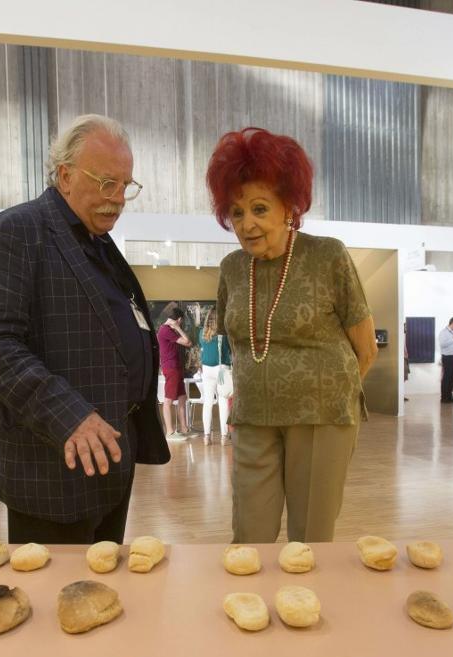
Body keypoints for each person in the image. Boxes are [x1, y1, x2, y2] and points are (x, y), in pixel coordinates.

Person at [0, 113, 170, 545]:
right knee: (49, 601)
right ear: (65, 175)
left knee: (102, 591)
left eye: (125, 185)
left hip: (109, 459)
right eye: (105, 182)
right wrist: (69, 414)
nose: (117, 198)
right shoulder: (16, 231)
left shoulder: (97, 243)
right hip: (52, 467)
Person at [209, 127, 378, 543]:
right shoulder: (232, 267)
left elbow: (366, 348)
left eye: (259, 208)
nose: (247, 224)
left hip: (320, 416)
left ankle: (308, 607)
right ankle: (253, 607)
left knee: (311, 540)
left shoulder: (327, 255)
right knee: (249, 535)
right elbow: (237, 342)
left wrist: (330, 397)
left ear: (289, 206)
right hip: (252, 416)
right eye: (236, 212)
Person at [158, 306, 194, 440]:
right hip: (171, 368)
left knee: (182, 398)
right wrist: (178, 328)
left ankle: (184, 429)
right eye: (181, 322)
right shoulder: (166, 330)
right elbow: (188, 342)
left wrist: (177, 328)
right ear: (178, 320)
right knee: (168, 400)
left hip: (176, 368)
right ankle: (170, 432)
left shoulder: (167, 330)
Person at [198, 307, 233, 444]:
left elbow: (202, 349)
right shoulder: (224, 334)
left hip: (207, 369)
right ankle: (224, 437)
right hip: (222, 369)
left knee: (207, 402)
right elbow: (231, 351)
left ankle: (207, 437)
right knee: (223, 401)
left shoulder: (202, 333)